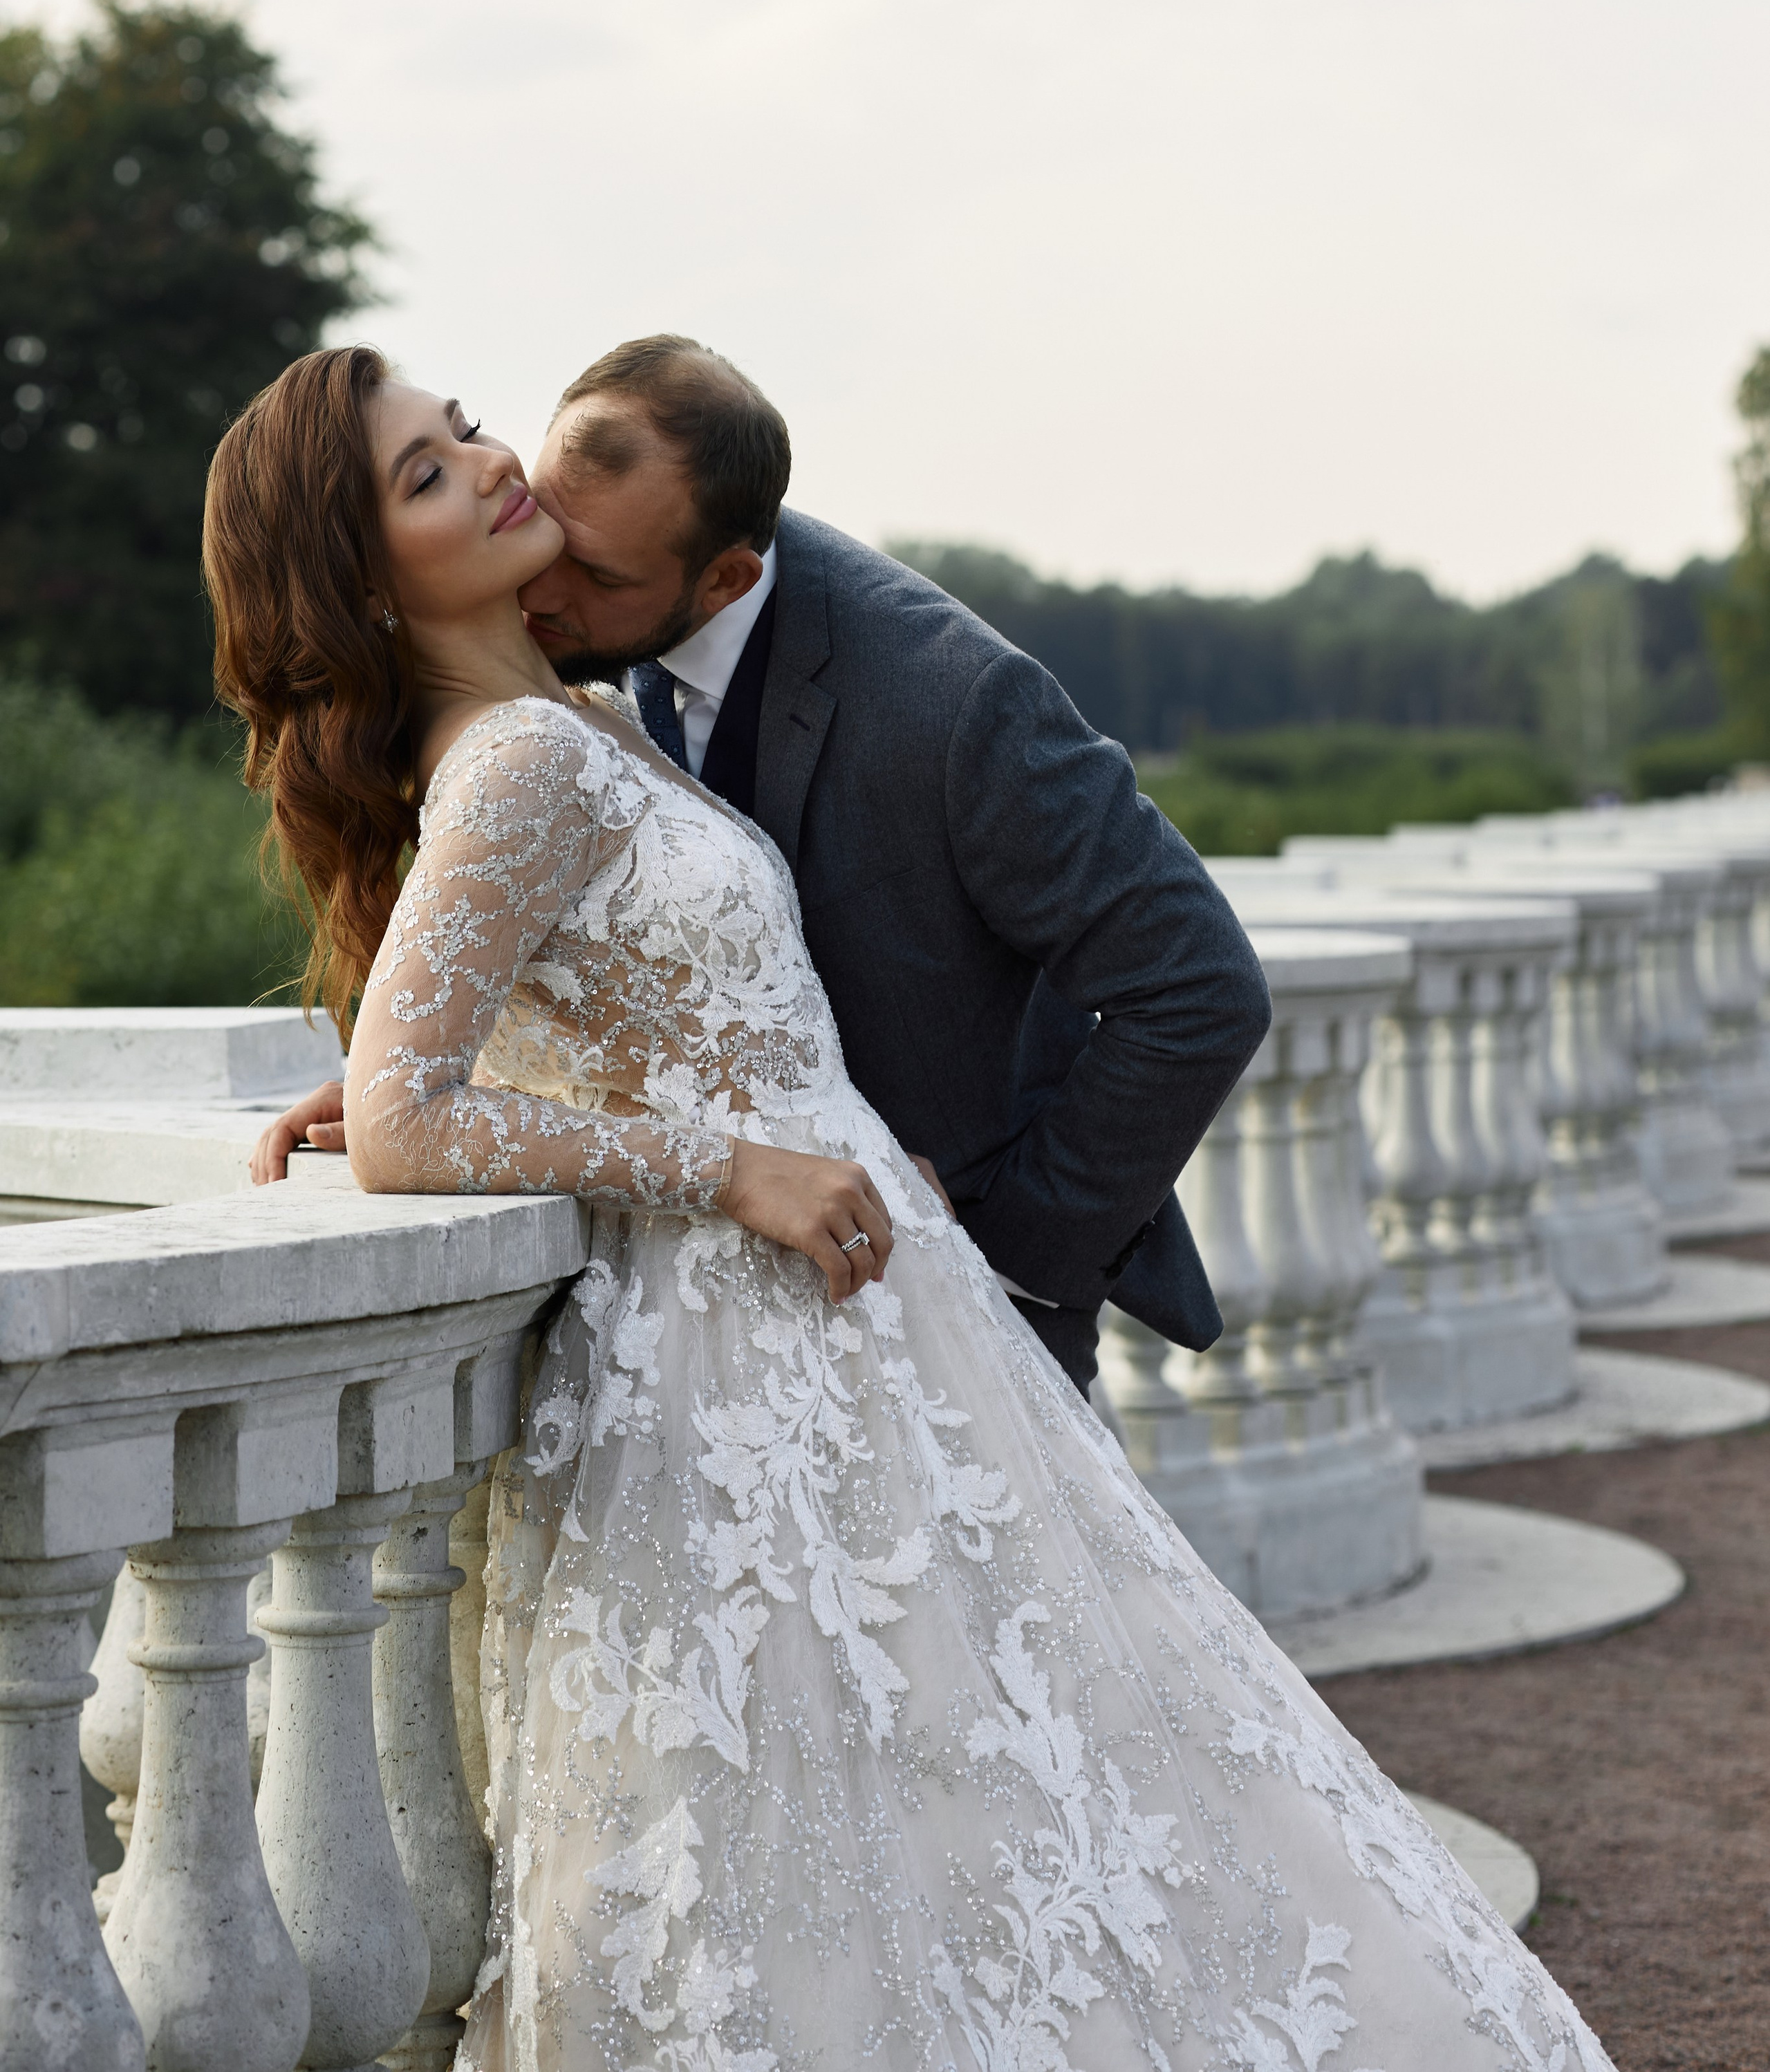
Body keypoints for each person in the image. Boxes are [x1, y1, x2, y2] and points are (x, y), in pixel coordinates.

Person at [210, 346, 1613, 2072]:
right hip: (748, 1357)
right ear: (359, 575)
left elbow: (593, 997)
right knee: (856, 1834)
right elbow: (424, 1118)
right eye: (429, 475)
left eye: (463, 428)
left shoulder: (593, 712)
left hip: (880, 1323)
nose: (498, 475)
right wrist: (719, 1161)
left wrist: (533, 1070)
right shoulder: (517, 753)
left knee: (1024, 1803)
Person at [256, 333, 1270, 1394]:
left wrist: (995, 1245)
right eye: (545, 522)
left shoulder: (953, 702)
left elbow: (1199, 986)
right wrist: (474, 1052)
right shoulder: (569, 687)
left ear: (725, 577)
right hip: (722, 1339)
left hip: (958, 1301)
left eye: (591, 573)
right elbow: (631, 960)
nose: (544, 583)